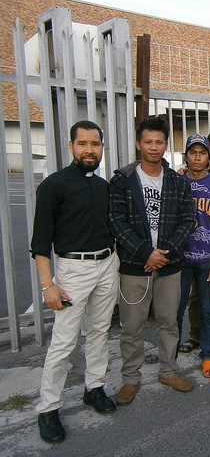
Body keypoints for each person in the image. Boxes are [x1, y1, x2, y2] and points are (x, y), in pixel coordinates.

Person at [31, 121, 118, 443]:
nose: (89, 150)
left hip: (107, 264)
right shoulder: (53, 186)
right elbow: (40, 243)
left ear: (102, 148)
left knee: (99, 332)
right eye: (83, 144)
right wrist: (47, 285)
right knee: (64, 342)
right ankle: (48, 407)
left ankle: (93, 388)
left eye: (95, 144)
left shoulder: (103, 185)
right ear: (71, 146)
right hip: (72, 270)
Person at [108, 117, 195, 405]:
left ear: (166, 145)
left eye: (159, 142)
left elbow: (188, 219)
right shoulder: (123, 179)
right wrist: (146, 252)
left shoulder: (176, 181)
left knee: (169, 322)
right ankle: (131, 378)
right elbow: (116, 221)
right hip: (135, 266)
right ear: (138, 144)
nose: (154, 147)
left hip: (169, 265)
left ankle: (168, 371)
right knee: (131, 326)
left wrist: (164, 252)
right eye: (148, 142)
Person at [176, 134, 210, 378]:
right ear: (186, 155)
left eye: (202, 152)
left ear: (208, 157)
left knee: (208, 308)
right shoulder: (176, 181)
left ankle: (207, 354)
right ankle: (170, 356)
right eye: (193, 152)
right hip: (180, 257)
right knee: (176, 308)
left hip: (207, 257)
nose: (197, 157)